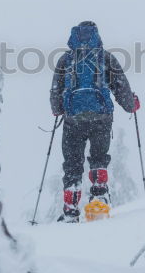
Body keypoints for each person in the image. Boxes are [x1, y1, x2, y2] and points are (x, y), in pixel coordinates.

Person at [50, 21, 139, 222]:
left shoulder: (66, 59)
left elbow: (56, 91)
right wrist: (131, 105)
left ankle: (71, 209)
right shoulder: (105, 58)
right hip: (101, 118)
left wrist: (57, 109)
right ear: (97, 35)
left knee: (72, 165)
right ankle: (99, 199)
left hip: (73, 120)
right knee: (99, 158)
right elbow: (121, 87)